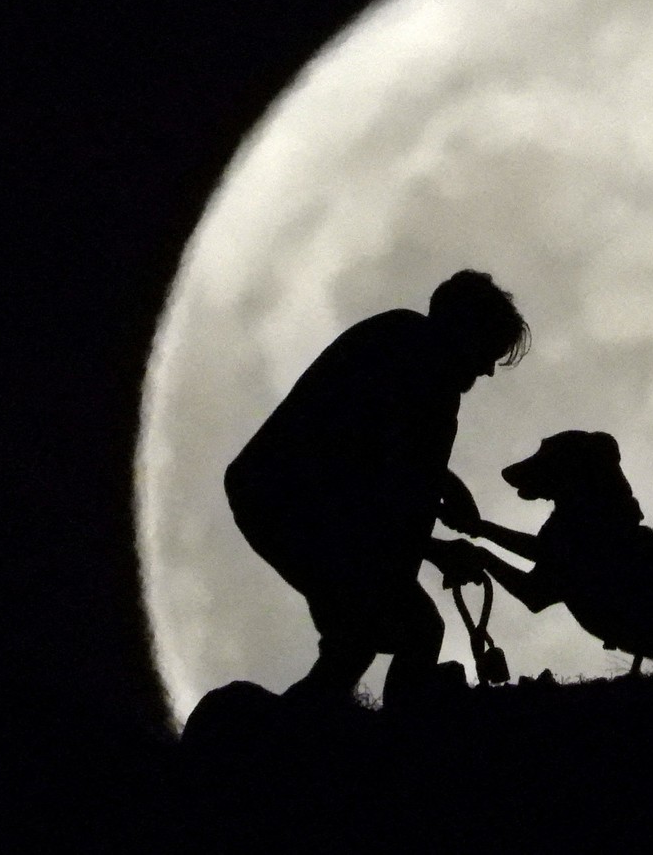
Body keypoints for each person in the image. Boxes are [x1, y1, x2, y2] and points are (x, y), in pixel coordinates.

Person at [225, 270, 530, 707]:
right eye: (487, 351)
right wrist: (437, 549)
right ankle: (387, 747)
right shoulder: (422, 373)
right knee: (415, 629)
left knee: (363, 632)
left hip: (280, 495)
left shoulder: (403, 344)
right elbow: (384, 492)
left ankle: (301, 730)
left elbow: (378, 463)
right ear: (461, 329)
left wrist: (442, 487)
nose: (487, 369)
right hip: (287, 500)